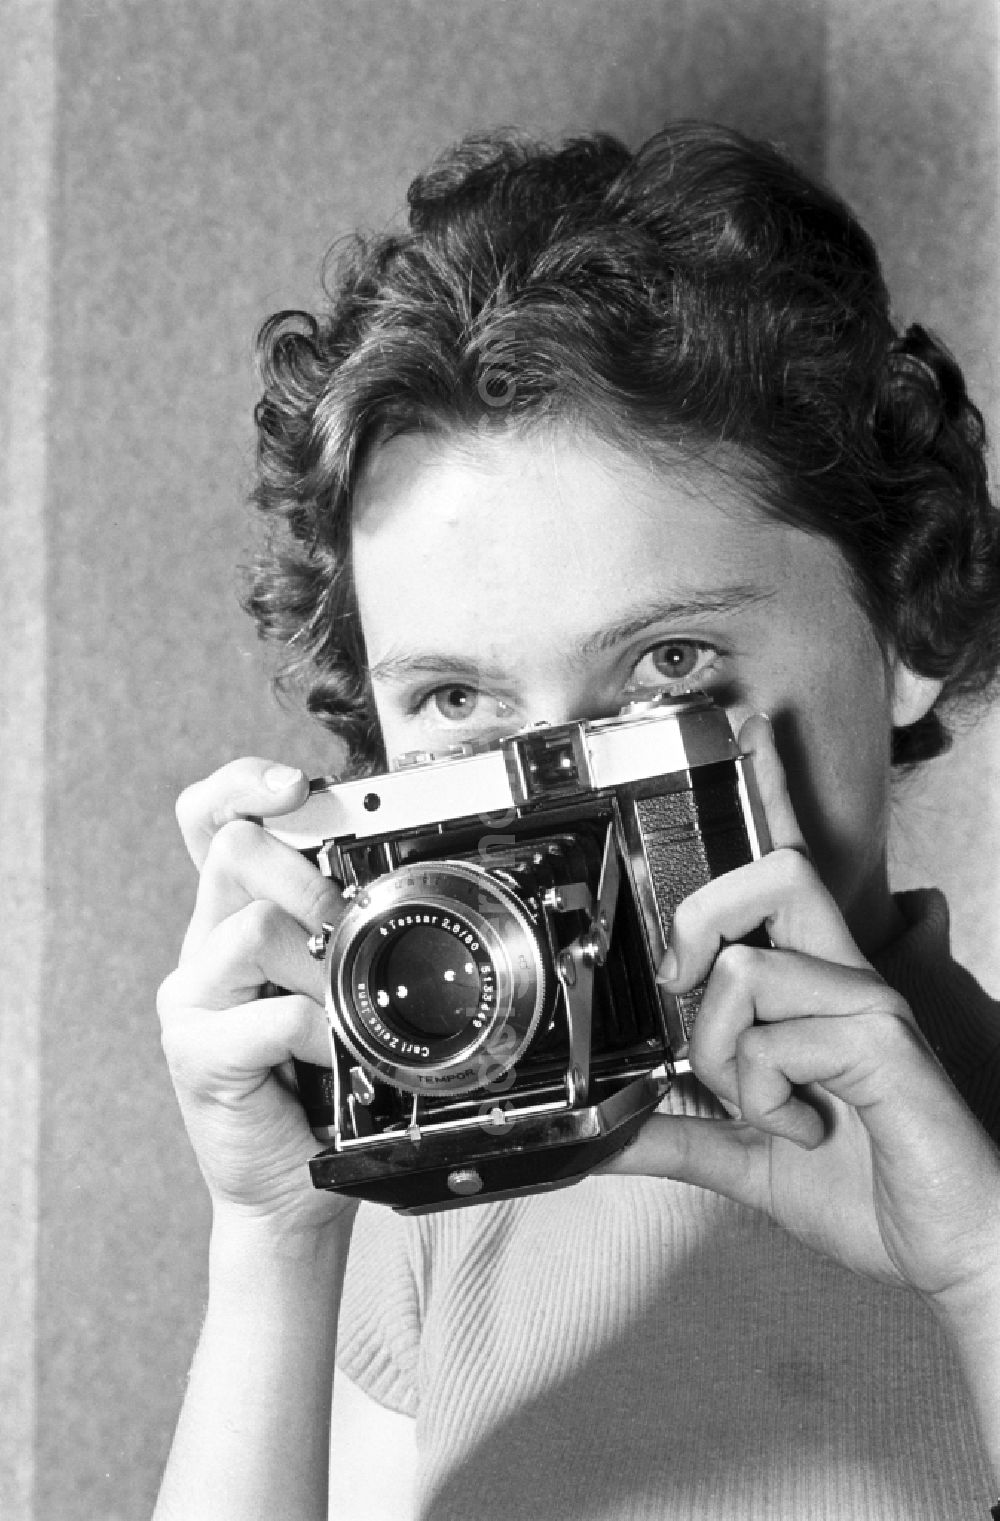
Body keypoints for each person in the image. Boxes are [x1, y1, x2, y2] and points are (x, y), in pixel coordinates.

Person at [154, 122, 1000, 1519]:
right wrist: (272, 1239)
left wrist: (978, 1262)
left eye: (669, 669)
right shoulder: (446, 1206)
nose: (568, 797)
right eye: (460, 705)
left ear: (907, 618)